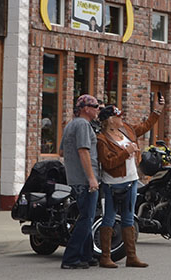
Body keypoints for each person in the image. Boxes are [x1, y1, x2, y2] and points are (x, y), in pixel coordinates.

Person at [96, 94, 165, 268]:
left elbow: (143, 127)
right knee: (109, 218)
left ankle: (131, 257)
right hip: (112, 183)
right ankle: (105, 257)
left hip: (131, 180)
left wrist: (157, 111)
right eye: (118, 117)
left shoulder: (125, 129)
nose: (122, 119)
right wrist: (126, 152)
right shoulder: (101, 139)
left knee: (128, 218)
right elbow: (108, 163)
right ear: (110, 120)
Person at [59, 94, 101, 269]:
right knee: (86, 218)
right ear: (86, 108)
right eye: (96, 106)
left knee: (86, 216)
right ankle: (70, 258)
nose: (98, 109)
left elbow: (62, 152)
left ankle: (86, 255)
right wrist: (91, 178)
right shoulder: (83, 125)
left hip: (74, 178)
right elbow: (83, 151)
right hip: (84, 180)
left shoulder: (71, 124)